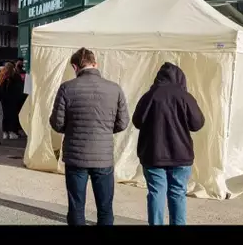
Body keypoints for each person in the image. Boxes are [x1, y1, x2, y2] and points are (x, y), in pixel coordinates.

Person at [49, 47, 129, 226]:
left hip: (76, 157)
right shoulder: (114, 88)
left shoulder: (66, 88)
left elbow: (57, 123)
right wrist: (104, 130)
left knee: (76, 207)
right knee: (105, 208)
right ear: (95, 64)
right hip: (103, 156)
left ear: (75, 67)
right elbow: (123, 123)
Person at [132, 62, 205, 226]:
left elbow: (137, 121)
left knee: (156, 193)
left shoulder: (149, 96)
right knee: (178, 194)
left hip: (153, 154)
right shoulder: (184, 96)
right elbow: (198, 124)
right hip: (181, 155)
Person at [0, 62, 23, 140]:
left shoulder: (2, 76)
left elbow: (0, 88)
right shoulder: (16, 76)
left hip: (4, 100)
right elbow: (19, 88)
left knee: (5, 116)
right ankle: (12, 132)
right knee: (13, 115)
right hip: (13, 99)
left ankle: (5, 133)